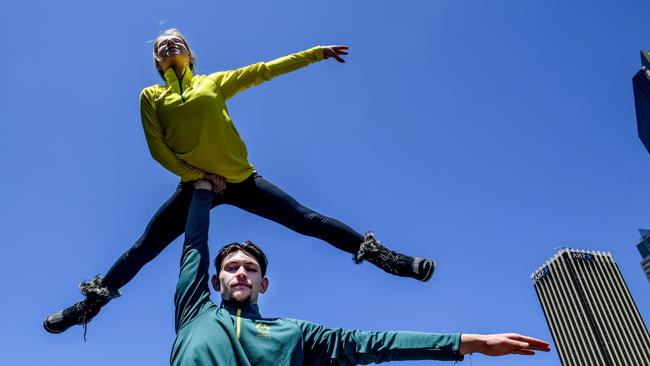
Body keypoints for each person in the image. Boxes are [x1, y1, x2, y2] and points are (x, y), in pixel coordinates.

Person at [44, 29, 435, 335]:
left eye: (175, 42)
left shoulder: (213, 83)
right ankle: (90, 306)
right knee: (143, 248)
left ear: (189, 54)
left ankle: (388, 260)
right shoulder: (151, 96)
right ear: (156, 60)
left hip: (242, 179)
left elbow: (264, 70)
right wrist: (197, 179)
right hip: (195, 185)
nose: (168, 46)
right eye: (161, 46)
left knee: (307, 220)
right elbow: (157, 147)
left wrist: (315, 53)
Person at [172, 182, 550, 365]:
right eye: (231, 267)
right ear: (214, 280)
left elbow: (374, 343)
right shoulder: (194, 313)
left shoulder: (296, 335)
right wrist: (203, 191)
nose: (241, 273)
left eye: (250, 269)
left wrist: (467, 342)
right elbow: (194, 247)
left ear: (263, 283)